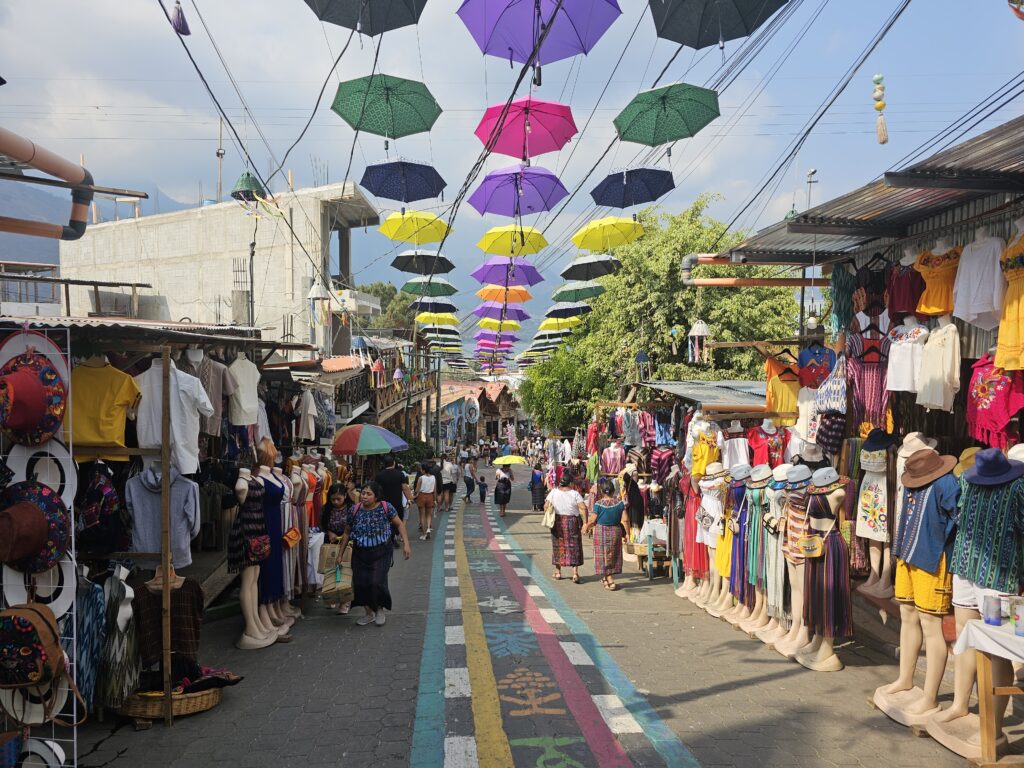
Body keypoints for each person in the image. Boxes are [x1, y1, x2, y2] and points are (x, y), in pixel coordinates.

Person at [336, 481, 411, 626]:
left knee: (376, 582)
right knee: (360, 584)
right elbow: (346, 532)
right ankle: (369, 613)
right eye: (363, 493)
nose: (364, 496)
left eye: (369, 494)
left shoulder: (385, 507)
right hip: (360, 552)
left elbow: (400, 524)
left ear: (376, 497)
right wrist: (340, 554)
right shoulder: (354, 510)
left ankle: (379, 610)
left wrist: (406, 544)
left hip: (381, 551)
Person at [582, 478, 627, 590]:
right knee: (613, 555)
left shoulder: (598, 504)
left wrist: (586, 527)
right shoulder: (620, 503)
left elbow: (593, 520)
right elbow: (625, 520)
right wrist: (627, 534)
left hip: (601, 532)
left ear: (601, 491)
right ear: (613, 490)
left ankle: (608, 578)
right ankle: (608, 578)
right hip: (615, 531)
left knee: (603, 555)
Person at [324, 482, 357, 613]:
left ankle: (345, 601)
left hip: (348, 544)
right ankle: (331, 596)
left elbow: (355, 526)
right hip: (331, 543)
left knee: (346, 572)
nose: (336, 502)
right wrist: (329, 532)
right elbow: (322, 524)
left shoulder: (352, 508)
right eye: (333, 499)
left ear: (345, 496)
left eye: (339, 499)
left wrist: (346, 535)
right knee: (330, 571)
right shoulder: (326, 509)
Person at [548, 474, 587, 583]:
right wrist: (585, 523)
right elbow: (583, 508)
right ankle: (575, 574)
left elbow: (546, 506)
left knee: (557, 546)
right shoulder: (575, 494)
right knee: (574, 546)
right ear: (570, 483)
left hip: (557, 522)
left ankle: (558, 572)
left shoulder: (554, 492)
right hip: (572, 523)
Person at [375, 455, 415, 548]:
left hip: (383, 503)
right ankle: (393, 538)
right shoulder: (400, 474)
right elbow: (405, 488)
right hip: (397, 502)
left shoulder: (379, 476)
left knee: (386, 520)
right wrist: (410, 499)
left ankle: (390, 538)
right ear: (394, 463)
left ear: (384, 464)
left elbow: (376, 490)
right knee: (397, 520)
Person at [413, 464, 437, 539]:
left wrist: (413, 496)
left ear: (423, 470)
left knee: (422, 516)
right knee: (429, 515)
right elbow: (435, 490)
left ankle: (424, 534)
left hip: (421, 496)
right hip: (430, 496)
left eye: (421, 469)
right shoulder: (433, 477)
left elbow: (417, 490)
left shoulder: (421, 478)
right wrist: (435, 499)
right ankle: (428, 529)